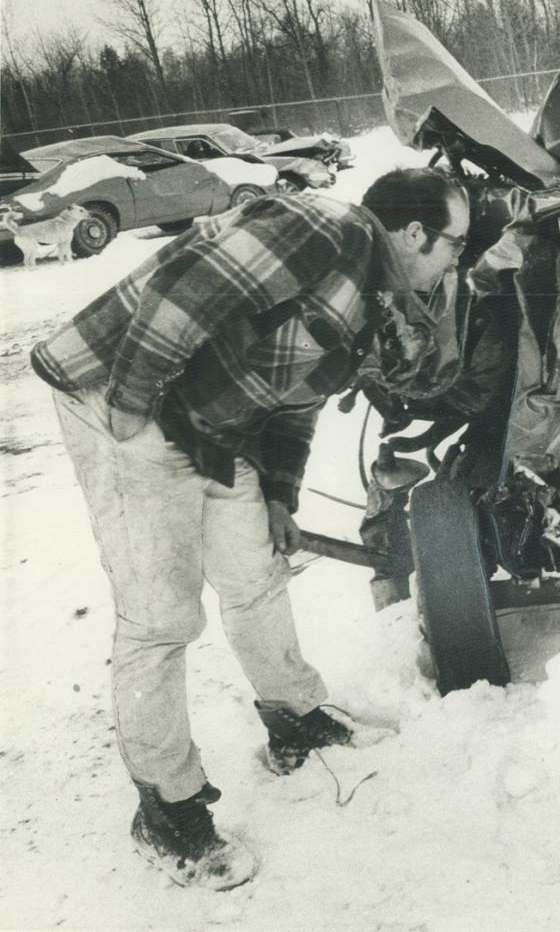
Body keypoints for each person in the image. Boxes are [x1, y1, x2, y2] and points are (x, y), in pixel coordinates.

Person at [31, 167, 470, 890]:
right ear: (415, 233)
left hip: (203, 418)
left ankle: (295, 719)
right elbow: (179, 299)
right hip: (118, 394)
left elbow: (293, 400)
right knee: (161, 615)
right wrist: (133, 414)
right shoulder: (321, 230)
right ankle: (165, 808)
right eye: (455, 242)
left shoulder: (368, 293)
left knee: (256, 572)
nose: (457, 257)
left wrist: (276, 492)